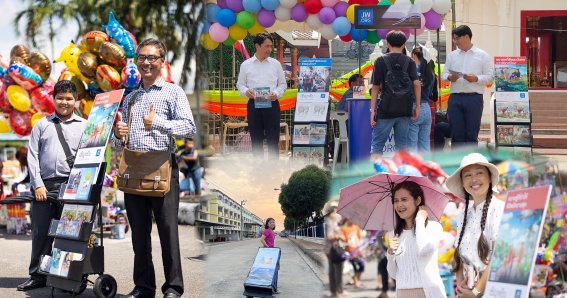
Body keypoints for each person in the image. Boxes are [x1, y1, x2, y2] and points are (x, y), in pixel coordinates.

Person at [112, 38, 196, 298]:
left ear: (162, 62)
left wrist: (157, 121)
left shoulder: (173, 92)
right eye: (142, 58)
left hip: (162, 168)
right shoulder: (131, 97)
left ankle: (173, 288)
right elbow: (118, 143)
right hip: (133, 169)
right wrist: (117, 133)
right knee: (139, 235)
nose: (146, 62)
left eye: (152, 58)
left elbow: (189, 127)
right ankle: (143, 287)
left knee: (168, 232)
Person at [18, 80, 87, 291]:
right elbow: (32, 156)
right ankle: (38, 276)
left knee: (71, 234)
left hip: (73, 186)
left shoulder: (85, 125)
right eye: (60, 98)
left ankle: (69, 277)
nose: (64, 102)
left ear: (75, 101)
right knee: (41, 233)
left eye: (69, 98)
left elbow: (89, 157)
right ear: (53, 99)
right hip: (44, 187)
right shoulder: (42, 124)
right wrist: (37, 185)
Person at [446, 153, 505, 298]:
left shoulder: (499, 209)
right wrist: (461, 290)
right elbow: (459, 258)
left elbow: (499, 256)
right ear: (462, 182)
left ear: (489, 177)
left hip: (492, 292)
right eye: (467, 175)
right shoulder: (462, 215)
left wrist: (476, 292)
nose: (474, 179)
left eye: (479, 173)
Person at [386, 180, 446, 298]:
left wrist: (419, 220)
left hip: (429, 293)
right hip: (402, 293)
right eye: (396, 201)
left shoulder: (433, 227)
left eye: (404, 199)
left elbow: (423, 249)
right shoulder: (394, 234)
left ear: (417, 200)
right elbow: (393, 274)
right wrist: (390, 253)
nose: (399, 205)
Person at [370, 30, 421, 163]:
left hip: (386, 109)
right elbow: (417, 84)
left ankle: (376, 176)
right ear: (404, 45)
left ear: (387, 44)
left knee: (377, 146)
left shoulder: (380, 61)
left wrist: (373, 111)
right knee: (402, 148)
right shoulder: (409, 61)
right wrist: (418, 107)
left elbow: (375, 87)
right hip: (404, 110)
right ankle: (401, 177)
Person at [442, 25, 494, 148]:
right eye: (454, 39)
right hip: (455, 98)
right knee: (456, 135)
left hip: (474, 98)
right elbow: (444, 74)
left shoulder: (482, 55)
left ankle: (471, 165)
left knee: (471, 134)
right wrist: (450, 77)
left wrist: (476, 78)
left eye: (456, 38)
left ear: (466, 37)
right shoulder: (452, 55)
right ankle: (457, 164)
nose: (455, 42)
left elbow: (491, 76)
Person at [236, 33, 287, 159]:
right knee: (256, 139)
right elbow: (240, 84)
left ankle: (273, 169)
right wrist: (246, 91)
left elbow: (282, 84)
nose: (269, 49)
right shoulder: (246, 65)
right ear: (257, 46)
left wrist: (277, 93)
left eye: (271, 46)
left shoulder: (276, 64)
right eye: (267, 46)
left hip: (272, 104)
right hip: (253, 105)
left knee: (273, 138)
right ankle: (258, 170)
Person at [408, 46, 435, 153]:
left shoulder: (411, 71)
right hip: (426, 109)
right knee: (424, 144)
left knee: (412, 145)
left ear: (414, 56)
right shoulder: (431, 73)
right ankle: (425, 168)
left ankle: (412, 169)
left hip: (415, 107)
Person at [325, 202, 346, 297]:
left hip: (335, 248)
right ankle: (336, 292)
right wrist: (340, 236)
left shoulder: (334, 220)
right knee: (335, 271)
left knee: (336, 270)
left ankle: (337, 291)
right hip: (333, 249)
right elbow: (330, 236)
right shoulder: (330, 220)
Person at [341, 219, 365, 288]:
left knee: (362, 265)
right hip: (350, 253)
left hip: (357, 251)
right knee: (354, 267)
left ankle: (358, 280)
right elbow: (343, 242)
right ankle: (356, 282)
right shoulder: (344, 228)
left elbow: (360, 238)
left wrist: (359, 248)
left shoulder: (356, 227)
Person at [260, 218, 280, 293]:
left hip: (272, 253)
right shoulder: (267, 231)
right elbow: (262, 239)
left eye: (273, 222)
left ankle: (273, 288)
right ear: (267, 224)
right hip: (268, 253)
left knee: (274, 270)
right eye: (271, 222)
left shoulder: (272, 231)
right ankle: (270, 288)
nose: (272, 223)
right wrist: (267, 247)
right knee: (269, 270)